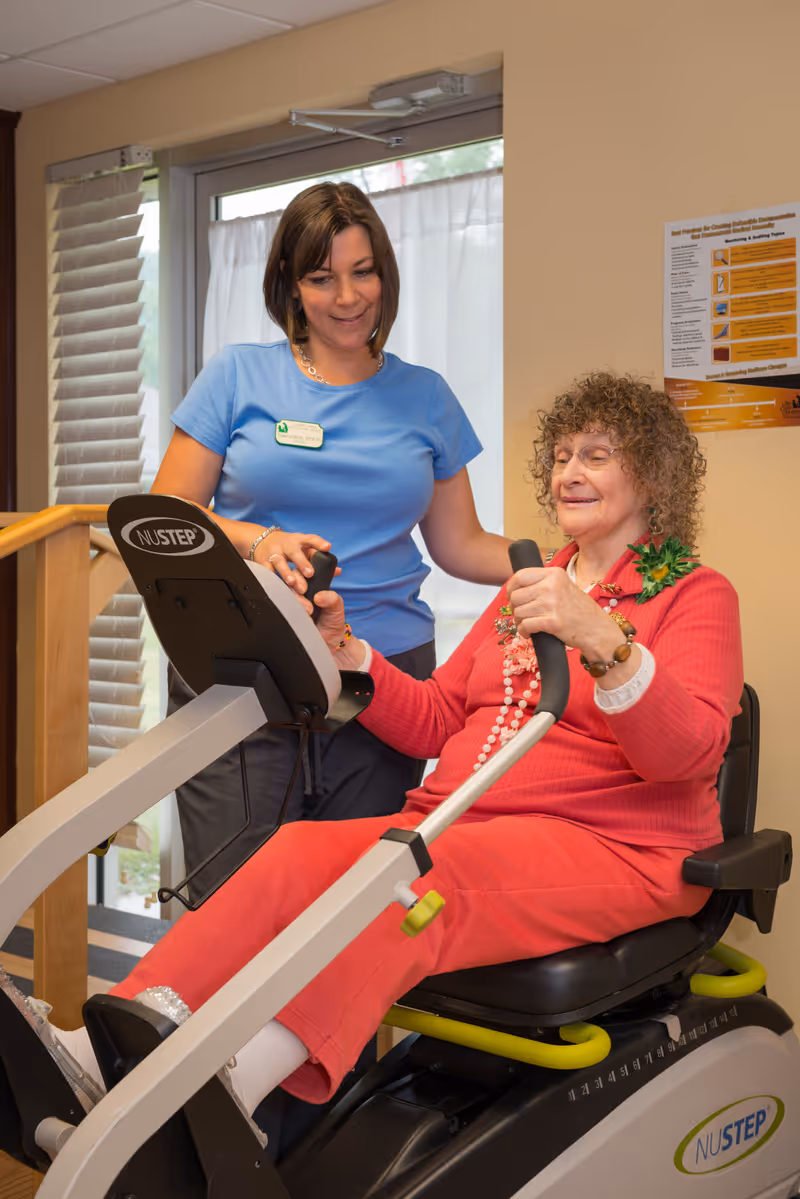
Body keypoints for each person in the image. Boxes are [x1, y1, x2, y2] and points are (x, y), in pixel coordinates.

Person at [5, 372, 743, 1132]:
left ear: (651, 475)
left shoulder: (695, 594)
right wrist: (348, 651)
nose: (570, 472)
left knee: (408, 882)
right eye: (560, 456)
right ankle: (103, 1053)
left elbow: (685, 753)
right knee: (294, 853)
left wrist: (598, 636)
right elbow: (438, 721)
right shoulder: (531, 587)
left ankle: (233, 1089)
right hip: (467, 827)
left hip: (616, 847)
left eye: (597, 455)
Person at [154, 180, 511, 903]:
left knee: (353, 914)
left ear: (386, 276)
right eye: (322, 277)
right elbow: (169, 516)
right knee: (235, 904)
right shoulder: (237, 376)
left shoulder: (426, 396)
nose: (347, 297)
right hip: (245, 666)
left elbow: (460, 544)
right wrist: (257, 540)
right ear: (290, 283)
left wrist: (569, 562)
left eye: (363, 272)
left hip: (380, 678)